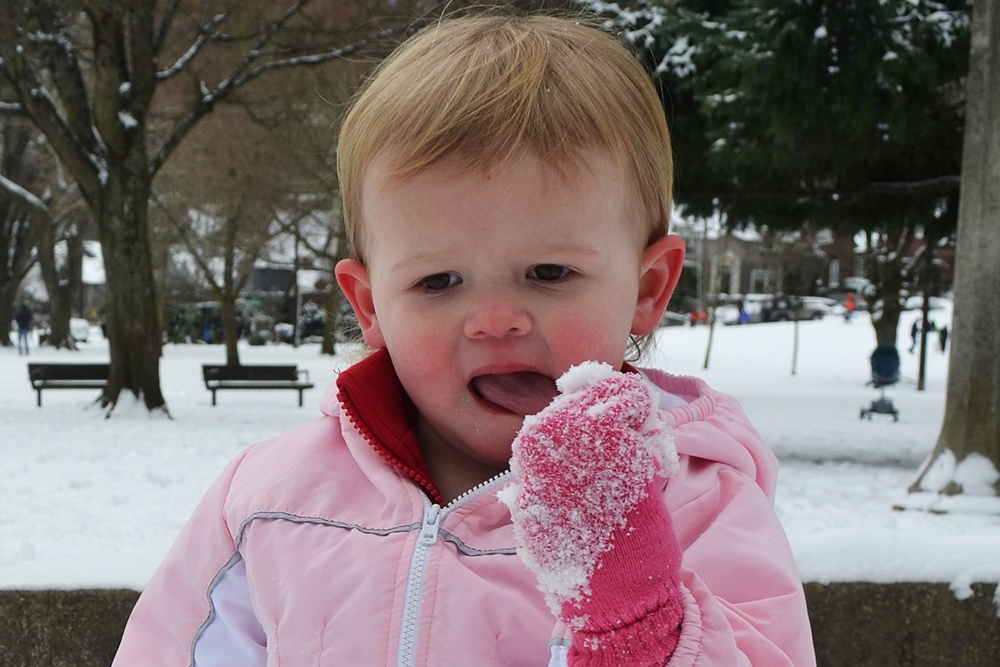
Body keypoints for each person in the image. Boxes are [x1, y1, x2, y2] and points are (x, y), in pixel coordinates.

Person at [112, 14, 815, 667]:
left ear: (647, 287)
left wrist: (634, 616)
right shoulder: (272, 500)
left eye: (549, 273)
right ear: (371, 305)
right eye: (439, 281)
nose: (494, 320)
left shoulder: (697, 502)